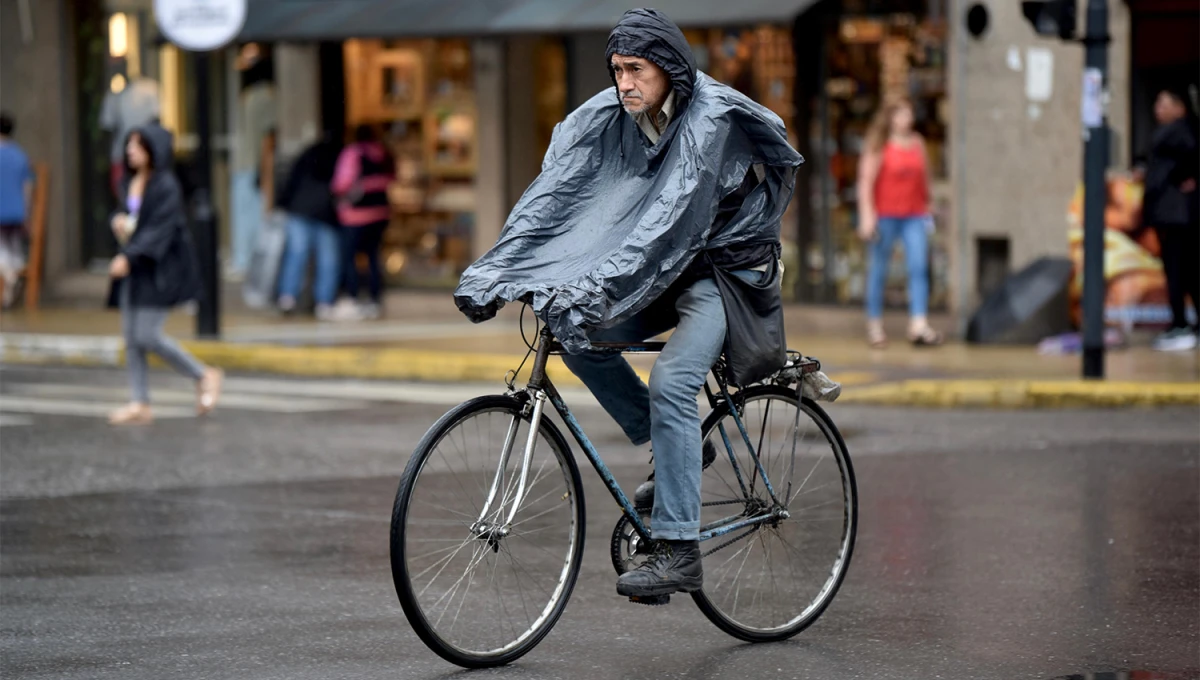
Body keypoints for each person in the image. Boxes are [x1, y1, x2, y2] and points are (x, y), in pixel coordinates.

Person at [457, 9, 803, 600]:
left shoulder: (709, 119)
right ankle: (675, 446)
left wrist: (595, 283)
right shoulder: (611, 113)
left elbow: (666, 223)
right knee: (575, 332)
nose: (624, 83)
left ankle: (679, 551)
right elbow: (554, 195)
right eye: (617, 70)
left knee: (672, 382)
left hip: (721, 273)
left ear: (669, 68)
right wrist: (495, 271)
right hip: (662, 270)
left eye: (636, 70)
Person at [107, 124, 223, 425]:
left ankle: (202, 374)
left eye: (137, 145)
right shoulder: (129, 182)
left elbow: (160, 230)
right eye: (129, 145)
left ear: (152, 150)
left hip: (159, 269)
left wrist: (129, 257)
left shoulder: (166, 185)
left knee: (148, 334)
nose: (130, 151)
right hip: (136, 268)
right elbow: (128, 217)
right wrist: (118, 221)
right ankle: (140, 401)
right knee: (132, 338)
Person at [856, 98, 942, 348]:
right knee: (879, 270)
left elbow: (925, 177)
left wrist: (930, 204)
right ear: (890, 117)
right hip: (885, 216)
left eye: (909, 114)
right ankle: (874, 325)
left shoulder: (917, 143)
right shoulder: (879, 145)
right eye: (902, 114)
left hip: (914, 215)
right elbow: (865, 182)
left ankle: (918, 323)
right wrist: (867, 216)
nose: (907, 119)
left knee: (917, 267)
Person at [1141, 86, 1199, 351]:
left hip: (1176, 214)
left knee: (1178, 270)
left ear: (1179, 108)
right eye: (1157, 103)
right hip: (1173, 213)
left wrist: (1182, 178)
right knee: (1186, 270)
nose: (1158, 109)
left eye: (1164, 104)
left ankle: (1180, 325)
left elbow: (1191, 154)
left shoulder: (1180, 130)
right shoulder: (1173, 132)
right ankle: (1186, 324)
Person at [275, 133, 344, 320]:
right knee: (327, 259)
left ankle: (287, 297)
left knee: (296, 254)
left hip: (299, 209)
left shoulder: (306, 156)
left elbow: (290, 182)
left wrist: (283, 203)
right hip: (325, 213)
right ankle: (324, 303)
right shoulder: (339, 157)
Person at [331, 124, 393, 320]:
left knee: (349, 257)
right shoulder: (384, 153)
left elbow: (341, 183)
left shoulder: (353, 153)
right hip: (380, 214)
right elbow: (392, 178)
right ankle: (375, 300)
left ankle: (353, 298)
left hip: (355, 215)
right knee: (374, 257)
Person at [0, 112, 33, 307]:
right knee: (14, 250)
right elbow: (27, 188)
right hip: (17, 213)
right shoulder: (20, 155)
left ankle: (10, 276)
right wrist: (26, 214)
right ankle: (14, 273)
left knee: (3, 250)